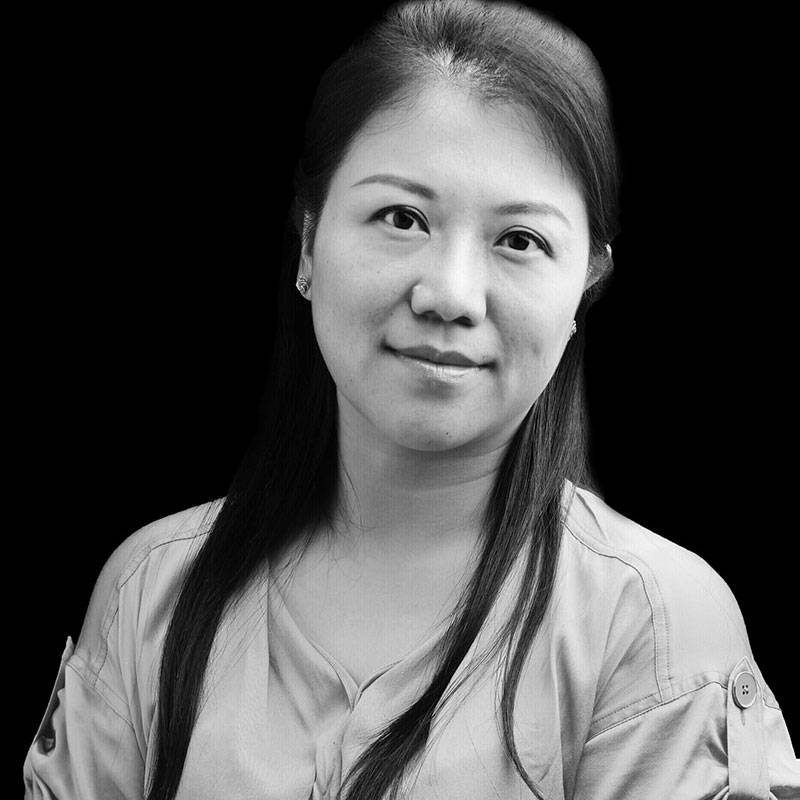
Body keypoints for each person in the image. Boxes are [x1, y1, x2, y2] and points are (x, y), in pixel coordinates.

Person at [23, 1, 799, 798]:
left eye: (520, 240)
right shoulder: (151, 594)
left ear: (584, 286)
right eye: (402, 218)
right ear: (308, 243)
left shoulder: (655, 627)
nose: (451, 295)